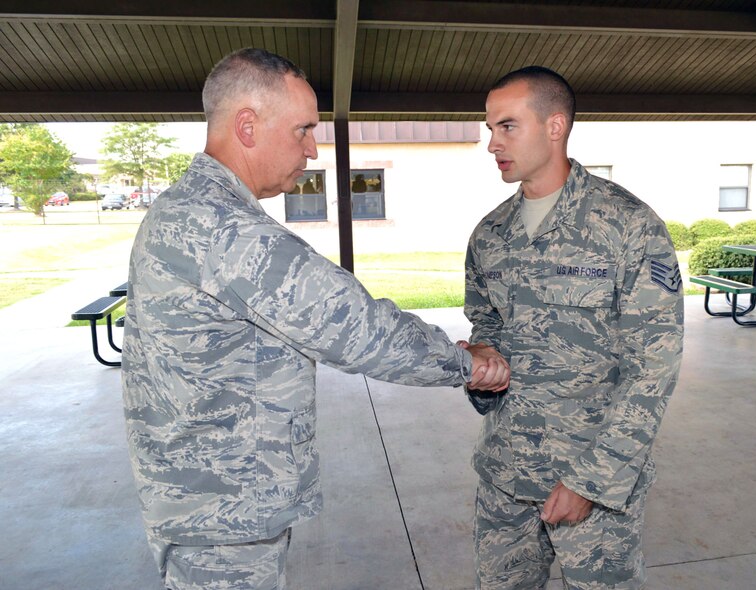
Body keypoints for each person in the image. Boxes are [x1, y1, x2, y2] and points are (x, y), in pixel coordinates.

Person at [121, 47, 510, 590]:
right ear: (248, 126)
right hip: (221, 513)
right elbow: (353, 325)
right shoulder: (221, 226)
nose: (311, 147)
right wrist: (467, 363)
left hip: (209, 499)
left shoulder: (193, 207)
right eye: (302, 129)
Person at [463, 66, 684, 589]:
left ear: (555, 126)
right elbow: (484, 320)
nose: (492, 143)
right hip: (505, 473)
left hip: (591, 477)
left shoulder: (628, 225)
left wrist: (592, 480)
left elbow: (654, 366)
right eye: (490, 128)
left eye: (507, 126)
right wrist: (481, 358)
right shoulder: (489, 233)